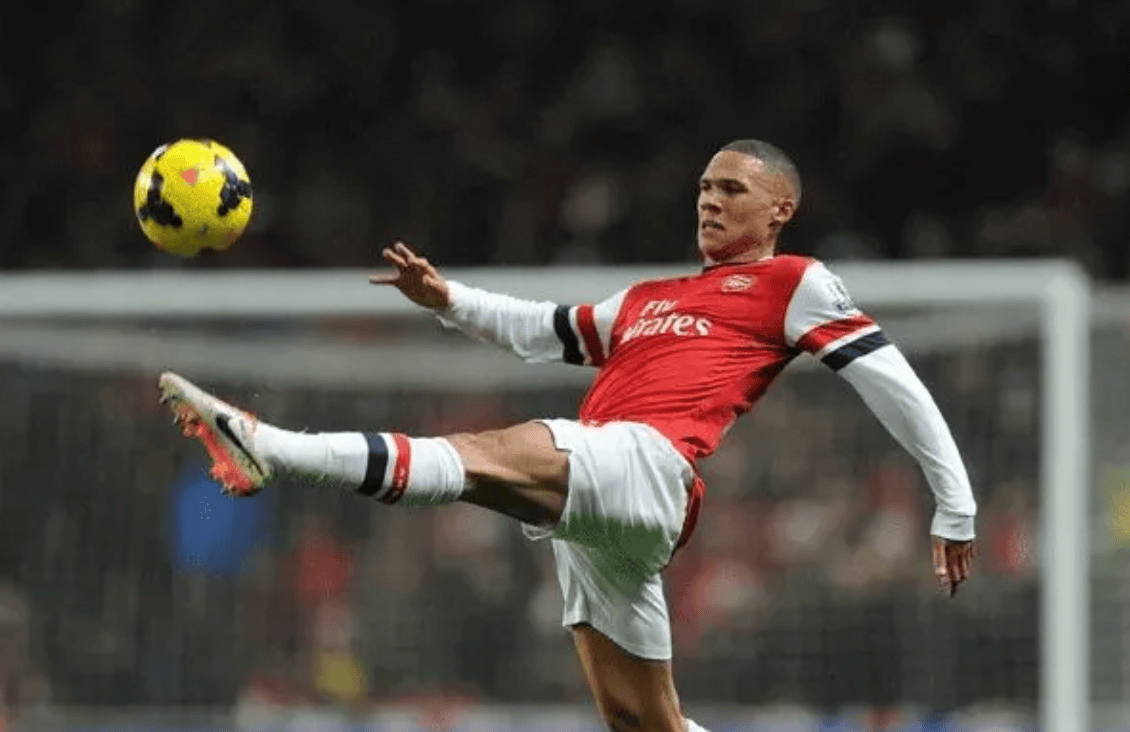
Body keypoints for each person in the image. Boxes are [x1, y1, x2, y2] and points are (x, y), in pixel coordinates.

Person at [159, 139, 977, 732]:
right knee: (643, 723)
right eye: (704, 187)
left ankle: (272, 448)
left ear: (780, 210)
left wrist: (955, 505)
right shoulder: (648, 300)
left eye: (731, 189)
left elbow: (893, 382)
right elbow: (541, 328)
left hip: (648, 464)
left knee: (480, 455)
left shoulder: (795, 282)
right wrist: (447, 300)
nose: (709, 201)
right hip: (604, 510)